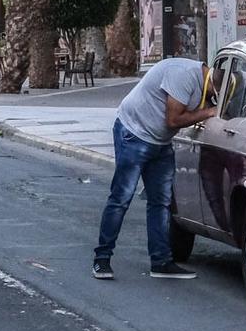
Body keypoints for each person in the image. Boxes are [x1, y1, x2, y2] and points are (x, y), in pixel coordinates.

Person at [92, 49, 216, 281]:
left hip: (160, 141)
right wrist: (208, 112)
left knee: (161, 202)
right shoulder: (185, 75)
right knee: (121, 198)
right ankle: (102, 259)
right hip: (134, 133)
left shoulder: (205, 85)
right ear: (214, 82)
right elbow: (173, 119)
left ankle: (161, 262)